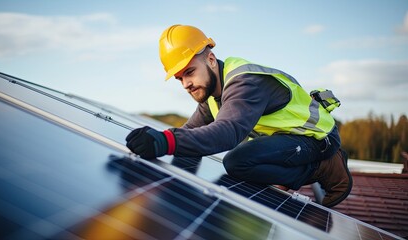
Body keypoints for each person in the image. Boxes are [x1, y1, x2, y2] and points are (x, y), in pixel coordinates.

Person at [126, 24, 352, 207]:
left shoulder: (244, 83)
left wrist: (166, 141)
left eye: (189, 72)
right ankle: (288, 172)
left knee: (237, 161)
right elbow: (191, 132)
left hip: (318, 138)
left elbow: (227, 133)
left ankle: (325, 167)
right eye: (179, 78)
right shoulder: (212, 94)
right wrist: (157, 140)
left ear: (211, 60)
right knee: (240, 160)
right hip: (290, 139)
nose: (186, 84)